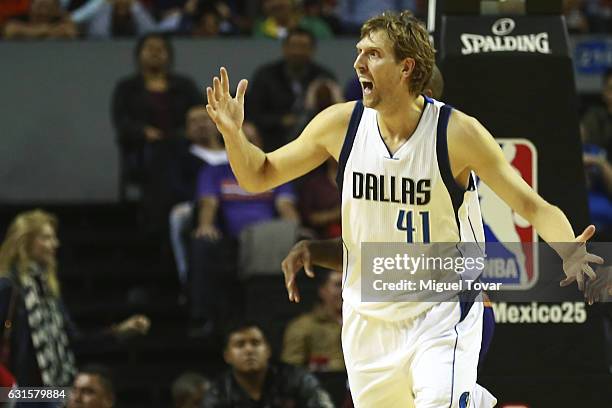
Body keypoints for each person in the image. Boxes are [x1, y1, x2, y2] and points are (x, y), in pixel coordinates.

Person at [204, 11, 602, 407]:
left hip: (442, 311)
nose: (358, 63)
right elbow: (259, 175)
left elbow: (531, 204)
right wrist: (232, 134)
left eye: (373, 54)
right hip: (367, 318)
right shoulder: (341, 124)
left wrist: (570, 250)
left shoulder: (456, 132)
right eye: (359, 52)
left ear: (406, 66)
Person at [0, 210, 150, 387]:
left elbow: (74, 341)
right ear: (25, 241)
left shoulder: (48, 291)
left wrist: (120, 332)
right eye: (46, 238)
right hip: (16, 395)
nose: (55, 244)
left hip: (47, 391)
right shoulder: (8, 286)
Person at [201, 321, 334, 407]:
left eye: (255, 343)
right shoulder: (218, 392)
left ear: (268, 350)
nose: (249, 350)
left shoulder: (298, 379)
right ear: (227, 355)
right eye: (240, 345)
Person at [246, 27, 335, 152]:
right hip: (272, 139)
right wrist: (282, 120)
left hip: (314, 141)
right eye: (294, 46)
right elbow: (253, 114)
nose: (297, 52)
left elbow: (335, 113)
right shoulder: (265, 75)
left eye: (303, 47)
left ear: (312, 50)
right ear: (284, 48)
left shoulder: (323, 76)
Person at [281, 269, 343, 372]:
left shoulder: (366, 323)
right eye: (338, 285)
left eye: (349, 285)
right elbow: (290, 371)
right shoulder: (302, 327)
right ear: (322, 290)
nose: (344, 290)